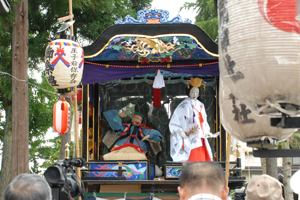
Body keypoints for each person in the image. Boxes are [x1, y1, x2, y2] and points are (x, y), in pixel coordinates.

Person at [169, 77, 213, 162]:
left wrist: (206, 130)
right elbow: (176, 119)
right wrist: (181, 131)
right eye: (192, 91)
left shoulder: (201, 105)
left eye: (197, 92)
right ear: (188, 91)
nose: (194, 94)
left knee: (201, 158)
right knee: (191, 156)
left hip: (200, 134)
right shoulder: (184, 104)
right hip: (189, 134)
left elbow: (204, 120)